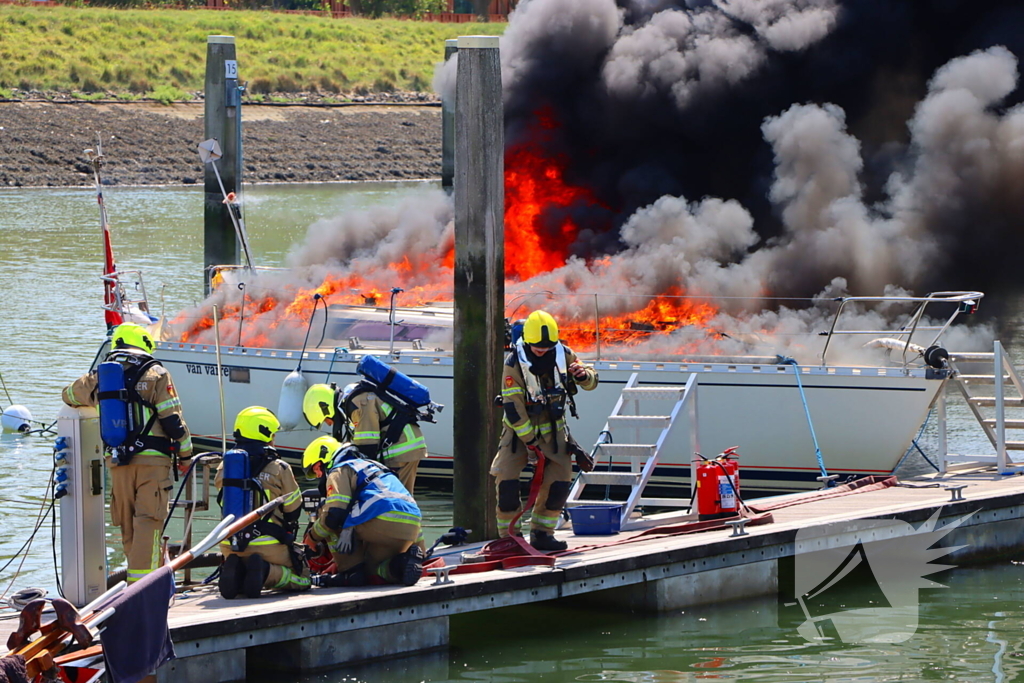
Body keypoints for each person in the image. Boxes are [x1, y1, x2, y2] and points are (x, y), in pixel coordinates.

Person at [62, 322, 193, 583]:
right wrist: (186, 456)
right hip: (153, 464)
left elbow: (68, 395)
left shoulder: (101, 376)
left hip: (118, 463)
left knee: (128, 525)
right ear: (144, 344)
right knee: (149, 521)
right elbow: (173, 422)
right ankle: (143, 590)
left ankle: (134, 584)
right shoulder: (156, 373)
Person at [490, 310, 599, 551]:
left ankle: (542, 534)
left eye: (547, 347)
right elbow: (513, 407)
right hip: (518, 435)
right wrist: (530, 442)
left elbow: (591, 382)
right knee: (506, 482)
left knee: (559, 484)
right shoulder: (514, 363)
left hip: (555, 433)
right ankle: (510, 539)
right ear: (527, 342)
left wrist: (584, 375)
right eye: (538, 347)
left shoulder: (565, 354)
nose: (542, 350)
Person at [301, 436, 423, 587]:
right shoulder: (373, 466)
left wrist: (311, 538)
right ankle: (402, 565)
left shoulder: (340, 469)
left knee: (327, 513)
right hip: (411, 525)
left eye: (316, 470)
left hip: (382, 518)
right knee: (372, 571)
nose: (319, 476)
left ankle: (349, 572)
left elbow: (334, 514)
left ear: (324, 458)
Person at [215, 406, 310, 599]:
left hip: (229, 543)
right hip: (267, 545)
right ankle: (267, 572)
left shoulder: (225, 466)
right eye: (272, 434)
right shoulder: (279, 467)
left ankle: (236, 571)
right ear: (264, 432)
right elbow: (293, 508)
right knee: (303, 578)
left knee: (246, 566)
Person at [302, 382, 427, 494]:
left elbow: (367, 446)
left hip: (401, 450)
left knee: (397, 498)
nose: (330, 424)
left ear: (325, 407)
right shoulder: (352, 402)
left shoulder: (358, 404)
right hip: (401, 447)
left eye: (326, 419)